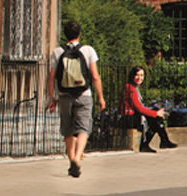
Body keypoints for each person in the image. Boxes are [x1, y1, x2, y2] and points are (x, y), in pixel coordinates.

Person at [47, 21, 105, 178]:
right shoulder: (88, 50)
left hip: (64, 95)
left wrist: (52, 98)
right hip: (83, 94)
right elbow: (95, 76)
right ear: (79, 33)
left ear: (65, 34)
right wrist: (100, 97)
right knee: (83, 129)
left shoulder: (57, 51)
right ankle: (77, 158)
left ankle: (71, 160)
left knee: (68, 130)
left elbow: (51, 77)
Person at [119, 65, 177, 152]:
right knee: (156, 118)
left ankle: (162, 141)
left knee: (155, 116)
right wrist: (156, 113)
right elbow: (138, 108)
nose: (140, 78)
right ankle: (158, 141)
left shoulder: (134, 87)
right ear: (132, 76)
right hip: (127, 117)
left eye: (142, 75)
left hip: (133, 115)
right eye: (137, 75)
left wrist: (155, 112)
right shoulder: (129, 87)